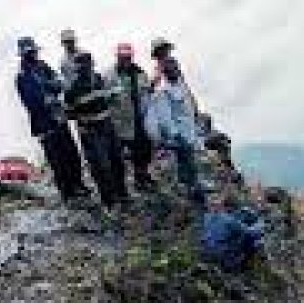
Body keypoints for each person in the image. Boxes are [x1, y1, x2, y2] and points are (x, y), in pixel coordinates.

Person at [15, 36, 88, 202]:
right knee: (57, 161)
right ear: (23, 54)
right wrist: (48, 96)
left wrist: (49, 89)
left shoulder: (43, 66)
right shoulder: (21, 76)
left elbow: (59, 83)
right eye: (29, 52)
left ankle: (79, 185)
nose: (32, 54)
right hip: (44, 126)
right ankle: (67, 193)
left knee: (72, 155)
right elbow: (31, 102)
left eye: (33, 51)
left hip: (59, 119)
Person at [65, 52, 128, 209]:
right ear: (78, 70)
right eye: (83, 67)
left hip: (107, 125)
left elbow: (108, 99)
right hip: (91, 131)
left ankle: (122, 194)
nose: (87, 69)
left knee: (117, 161)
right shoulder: (72, 90)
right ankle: (109, 202)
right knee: (101, 167)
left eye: (89, 65)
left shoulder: (100, 79)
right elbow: (69, 113)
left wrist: (112, 98)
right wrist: (83, 118)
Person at [145, 57, 204, 203]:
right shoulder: (162, 92)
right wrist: (176, 136)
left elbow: (188, 110)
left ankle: (192, 191)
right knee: (187, 167)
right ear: (165, 72)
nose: (175, 71)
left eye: (176, 67)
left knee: (189, 166)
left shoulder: (181, 86)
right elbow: (166, 119)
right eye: (171, 69)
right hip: (179, 137)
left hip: (189, 133)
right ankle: (193, 195)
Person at [105, 44, 153, 190]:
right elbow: (104, 97)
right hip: (120, 123)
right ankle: (120, 186)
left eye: (128, 57)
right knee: (118, 157)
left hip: (139, 119)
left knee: (143, 151)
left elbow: (147, 91)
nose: (126, 60)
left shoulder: (139, 72)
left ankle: (142, 176)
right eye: (122, 57)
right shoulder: (109, 75)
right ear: (117, 57)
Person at [202, 191, 264, 271]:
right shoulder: (229, 221)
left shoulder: (207, 216)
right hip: (222, 259)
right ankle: (244, 266)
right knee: (253, 240)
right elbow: (252, 232)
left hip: (207, 252)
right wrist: (260, 223)